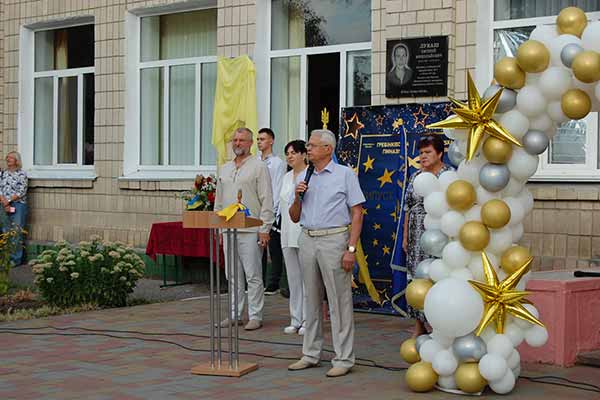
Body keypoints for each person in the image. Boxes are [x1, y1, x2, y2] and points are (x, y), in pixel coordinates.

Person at [287, 129, 365, 378]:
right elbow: (294, 216)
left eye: (312, 145)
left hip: (334, 239)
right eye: (308, 145)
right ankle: (310, 353)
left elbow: (357, 212)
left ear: (328, 149)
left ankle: (343, 357)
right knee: (311, 300)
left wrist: (350, 249)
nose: (307, 149)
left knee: (339, 301)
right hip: (307, 237)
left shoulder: (344, 175)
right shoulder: (304, 176)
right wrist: (298, 197)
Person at [214, 127, 275, 331]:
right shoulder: (224, 168)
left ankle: (255, 315)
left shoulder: (258, 166)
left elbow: (267, 198)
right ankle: (235, 314)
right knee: (232, 275)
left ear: (250, 143)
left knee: (253, 274)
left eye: (242, 140)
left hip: (251, 228)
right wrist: (218, 228)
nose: (237, 143)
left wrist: (265, 227)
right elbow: (219, 201)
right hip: (228, 228)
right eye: (235, 140)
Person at [402, 135, 454, 337]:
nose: (423, 157)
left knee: (435, 278)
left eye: (428, 152)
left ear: (440, 153)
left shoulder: (448, 175)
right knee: (417, 280)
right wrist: (406, 237)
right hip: (416, 236)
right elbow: (408, 207)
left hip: (439, 235)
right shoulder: (416, 176)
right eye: (421, 153)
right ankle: (418, 327)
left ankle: (437, 328)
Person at [279, 140, 308, 335]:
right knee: (293, 278)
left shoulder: (311, 175)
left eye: (294, 153)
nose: (290, 156)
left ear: (304, 154)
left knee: (308, 278)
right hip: (287, 231)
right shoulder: (286, 177)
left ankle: (308, 319)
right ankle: (295, 318)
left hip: (304, 230)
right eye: (287, 153)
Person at [257, 128, 287, 296]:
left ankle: (273, 282)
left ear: (271, 141)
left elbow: (277, 187)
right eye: (258, 139)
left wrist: (274, 210)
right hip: (256, 209)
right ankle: (257, 280)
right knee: (258, 246)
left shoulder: (277, 163)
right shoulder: (255, 161)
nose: (259, 142)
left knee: (274, 247)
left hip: (273, 209)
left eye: (262, 139)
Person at [0, 151, 28, 266]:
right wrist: (4, 202)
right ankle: (6, 257)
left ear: (16, 160)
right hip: (3, 204)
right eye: (7, 157)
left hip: (18, 205)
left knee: (16, 232)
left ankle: (15, 259)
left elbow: (21, 191)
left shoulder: (22, 174)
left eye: (10, 158)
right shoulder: (3, 174)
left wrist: (9, 201)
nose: (8, 159)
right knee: (5, 231)